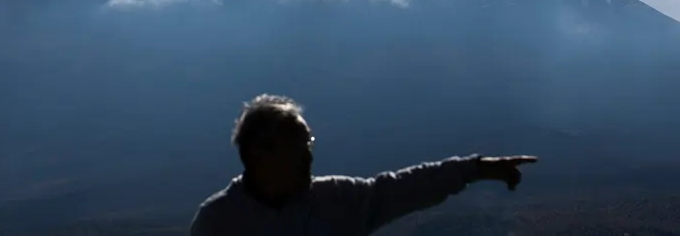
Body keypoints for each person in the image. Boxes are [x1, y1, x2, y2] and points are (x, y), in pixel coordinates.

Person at [189, 94, 538, 236]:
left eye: (309, 144)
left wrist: (476, 169)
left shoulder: (337, 199)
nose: (309, 155)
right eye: (299, 146)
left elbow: (405, 187)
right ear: (261, 154)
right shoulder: (218, 223)